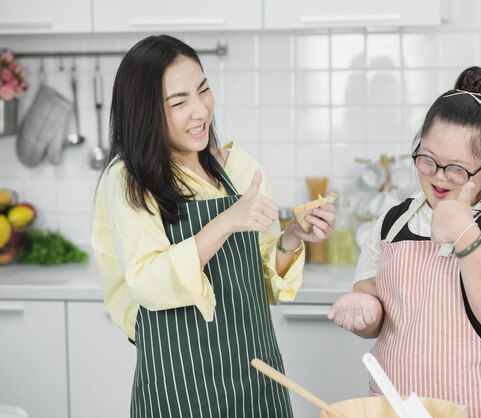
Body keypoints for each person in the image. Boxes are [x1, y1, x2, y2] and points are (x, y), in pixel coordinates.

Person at [91, 34, 335, 418]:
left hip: (258, 379)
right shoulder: (128, 180)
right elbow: (147, 281)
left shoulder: (242, 168)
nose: (201, 110)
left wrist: (292, 237)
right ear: (145, 111)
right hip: (180, 387)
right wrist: (225, 222)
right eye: (178, 102)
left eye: (203, 90)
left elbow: (267, 283)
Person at [328, 66, 481, 418]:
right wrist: (363, 311)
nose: (439, 178)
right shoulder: (395, 221)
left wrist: (465, 235)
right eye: (427, 160)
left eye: (458, 169)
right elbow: (377, 312)